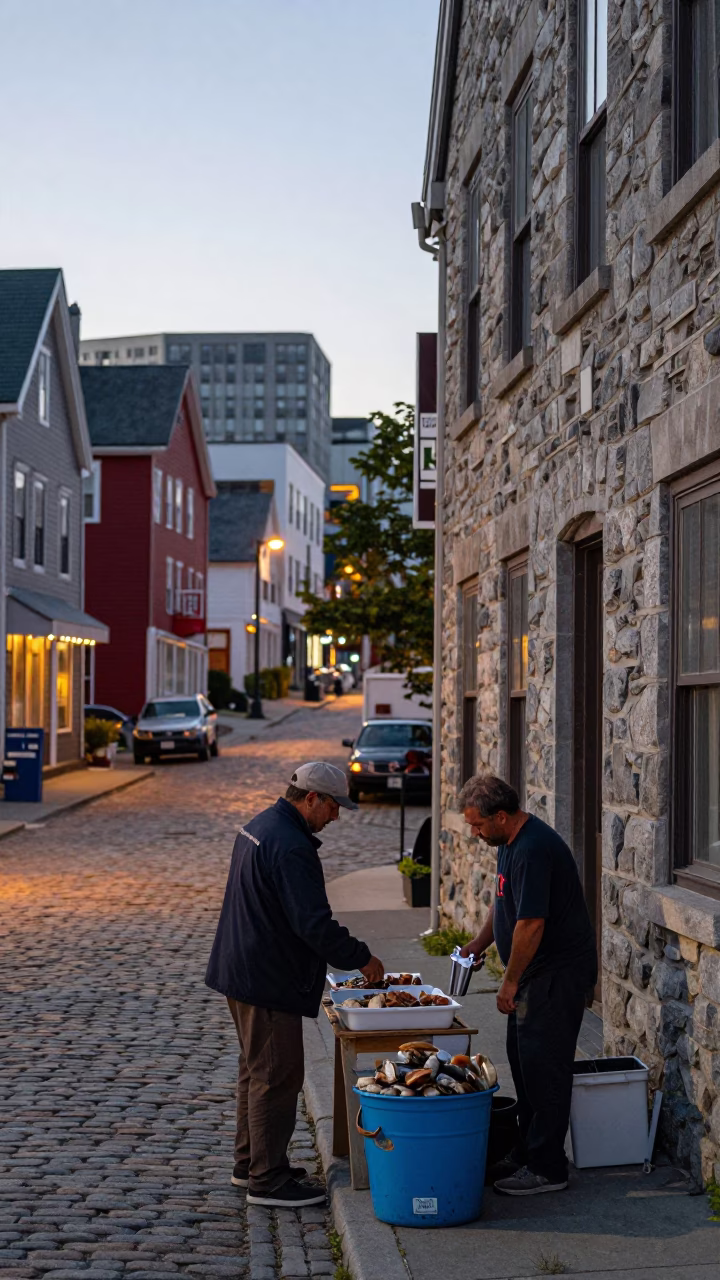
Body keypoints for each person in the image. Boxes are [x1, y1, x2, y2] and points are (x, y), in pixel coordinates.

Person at [206, 761, 384, 1209]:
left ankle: (249, 1163)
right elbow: (313, 924)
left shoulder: (260, 825)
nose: (336, 816)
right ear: (310, 799)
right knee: (277, 1076)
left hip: (243, 966)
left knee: (255, 1071)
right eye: (333, 807)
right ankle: (267, 1181)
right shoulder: (291, 846)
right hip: (267, 975)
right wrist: (362, 958)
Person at [458, 773, 597, 1197]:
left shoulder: (534, 849)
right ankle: (526, 1151)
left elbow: (531, 924)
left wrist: (510, 981)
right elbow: (503, 903)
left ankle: (548, 1168)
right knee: (524, 1065)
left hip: (554, 977)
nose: (475, 833)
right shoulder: (508, 844)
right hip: (534, 977)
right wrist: (480, 943)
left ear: (501, 815)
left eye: (479, 825)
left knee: (546, 1070)